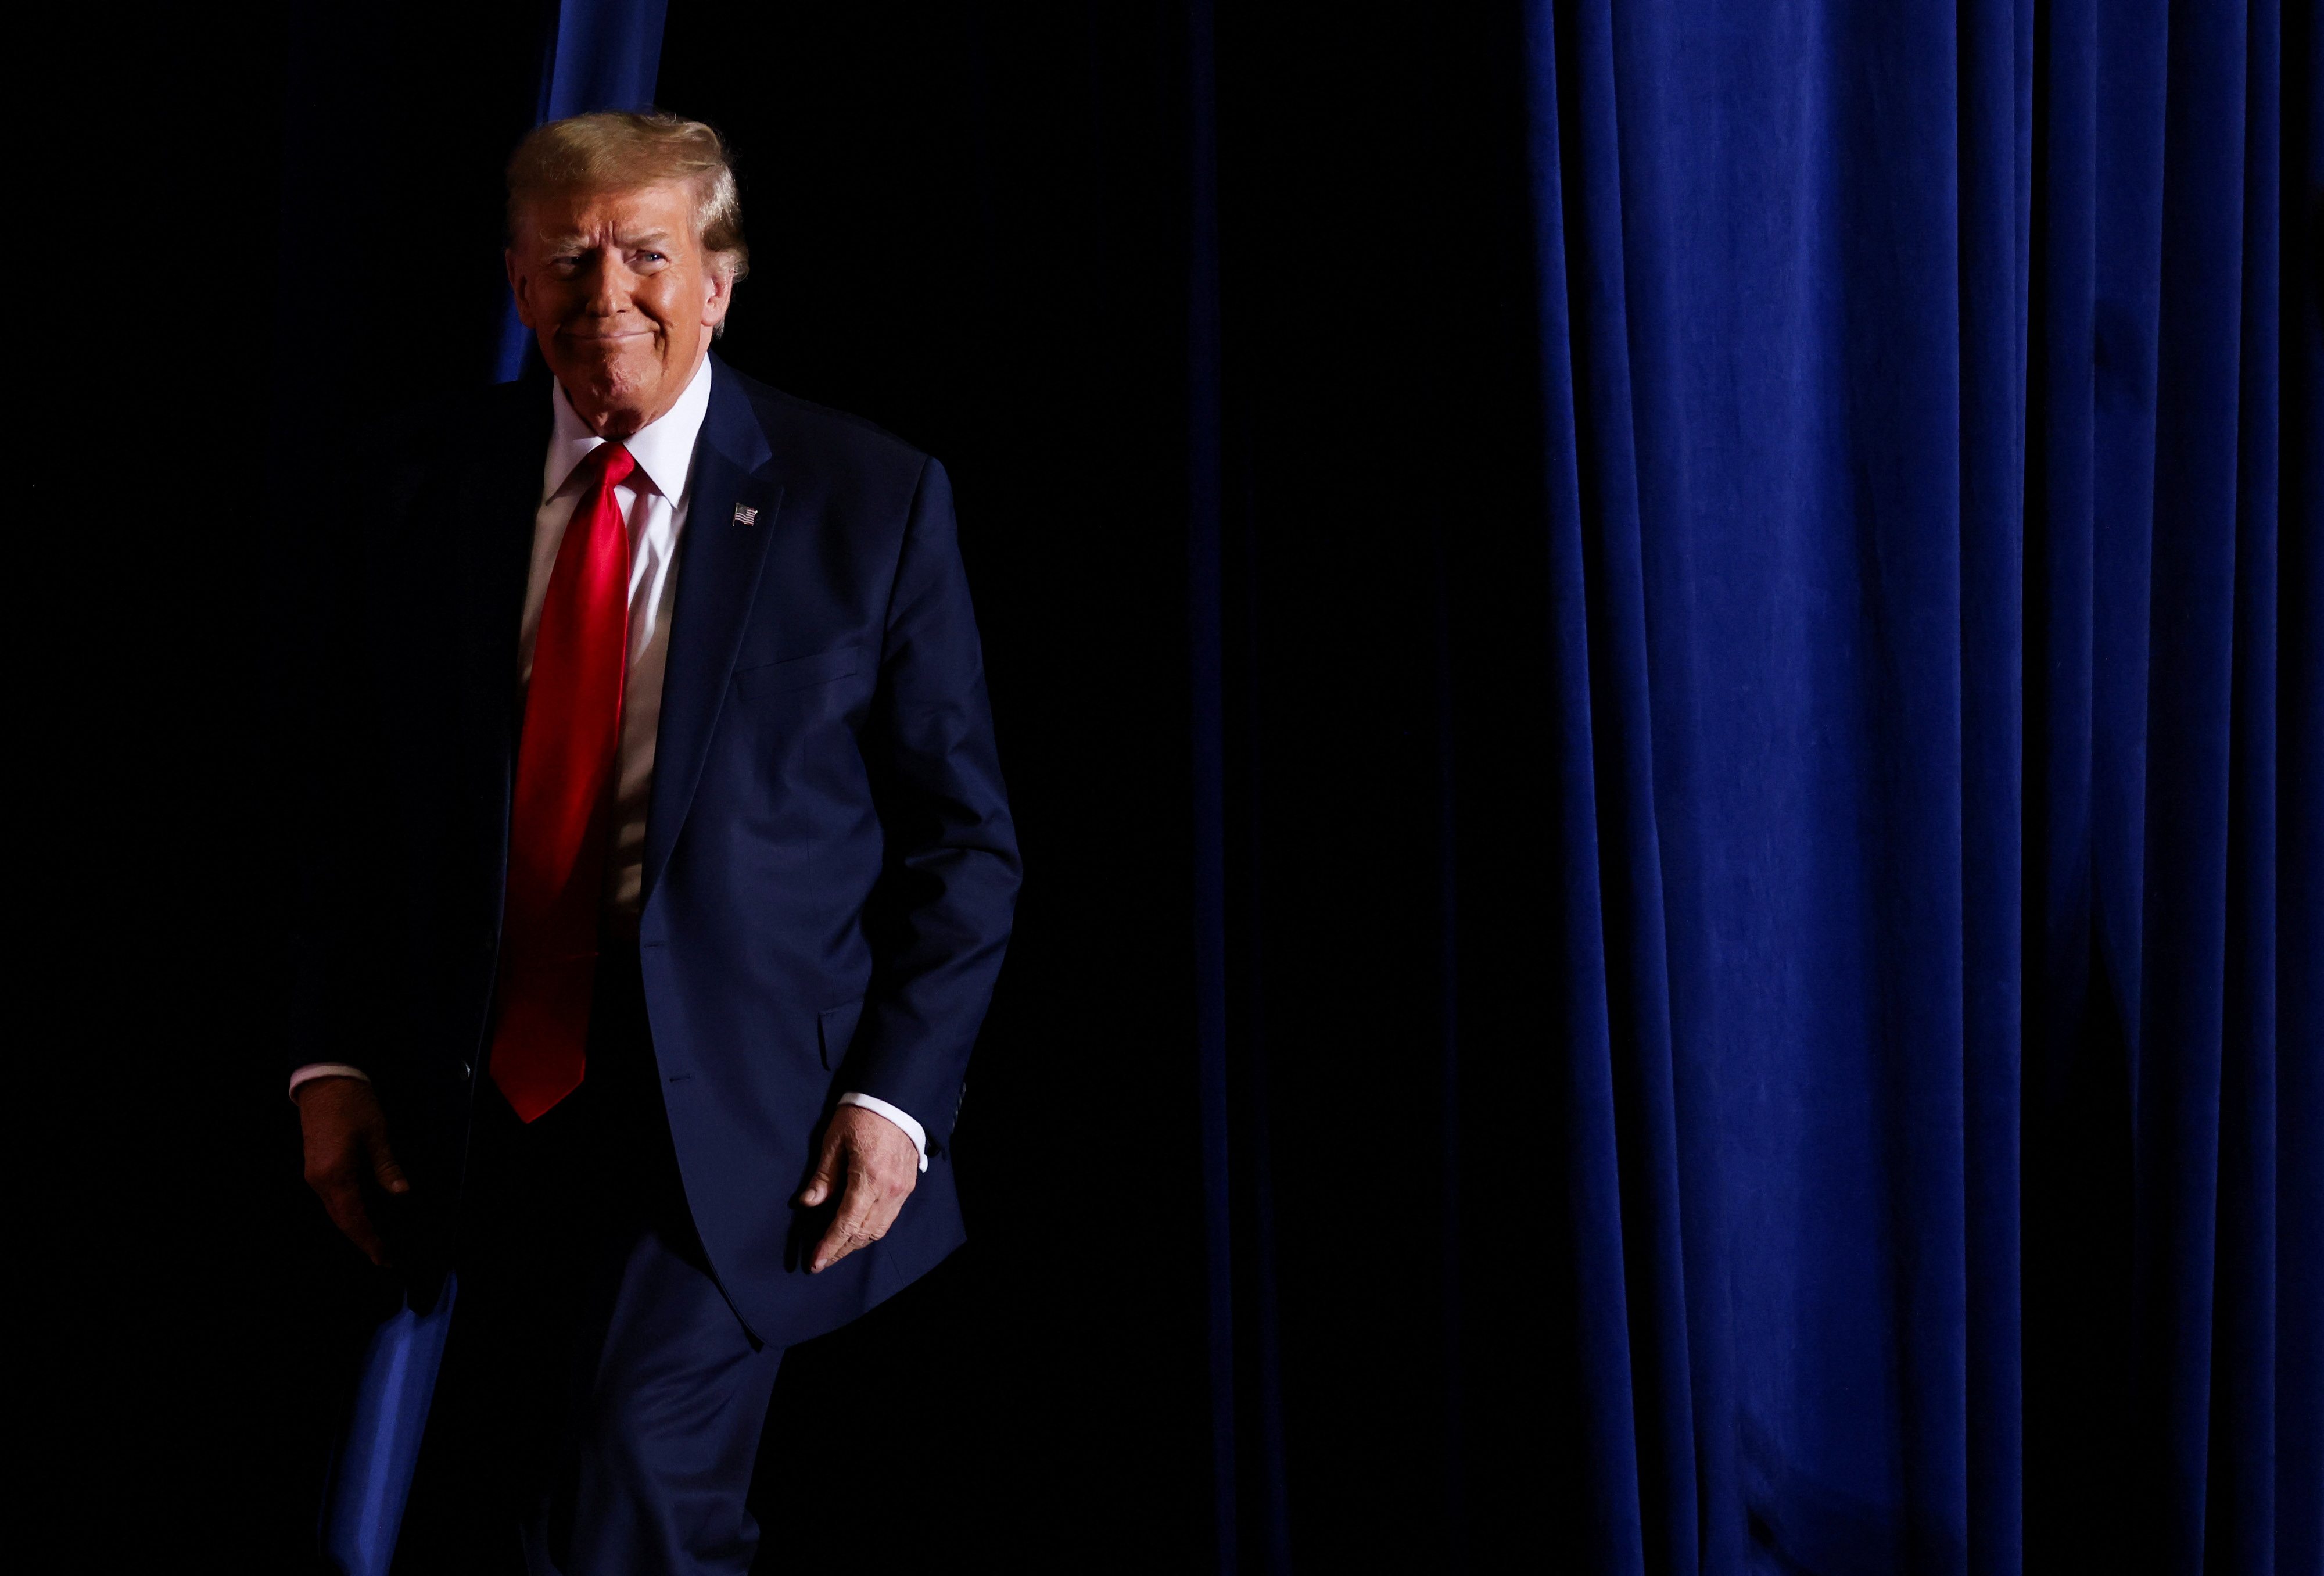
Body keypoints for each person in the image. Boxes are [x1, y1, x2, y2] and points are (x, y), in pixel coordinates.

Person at [289, 109, 1020, 1575]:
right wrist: (330, 1063)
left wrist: (893, 1103)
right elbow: (334, 798)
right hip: (462, 1102)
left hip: (734, 1120)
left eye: (645, 256)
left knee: (635, 1500)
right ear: (514, 283)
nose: (603, 296)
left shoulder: (866, 501)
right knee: (497, 1513)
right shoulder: (406, 484)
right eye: (567, 259)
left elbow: (964, 847)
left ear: (720, 282)